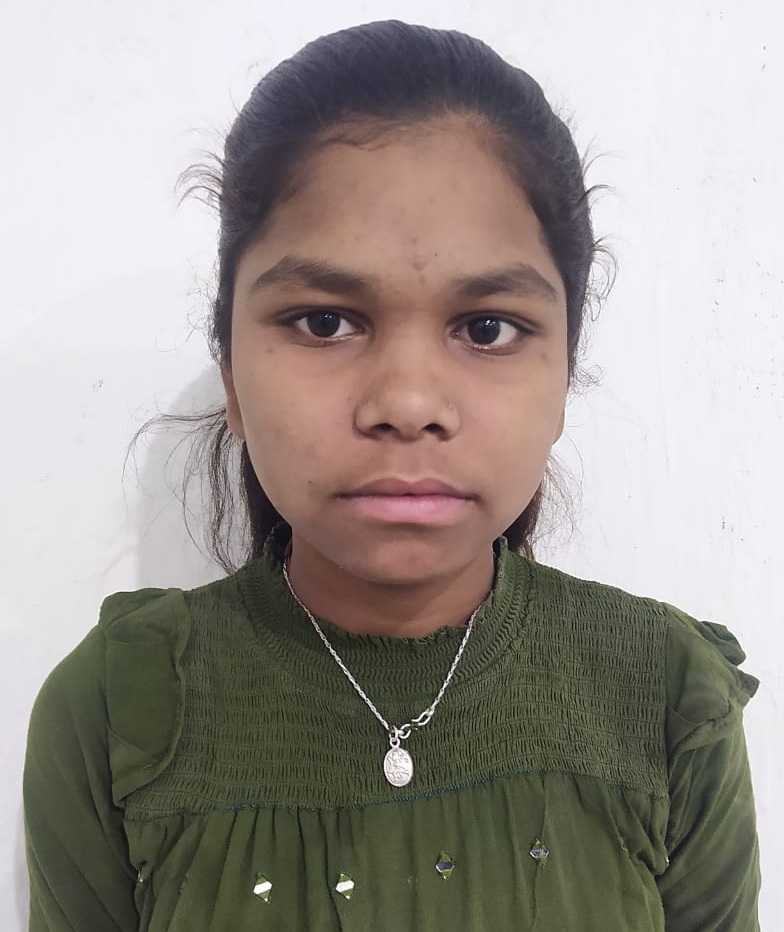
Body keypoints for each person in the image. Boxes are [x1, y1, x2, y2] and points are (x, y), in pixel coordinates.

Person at [22, 18, 762, 932]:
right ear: (233, 377)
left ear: (564, 379)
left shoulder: (664, 696)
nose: (408, 403)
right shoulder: (116, 712)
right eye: (325, 322)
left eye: (487, 328)